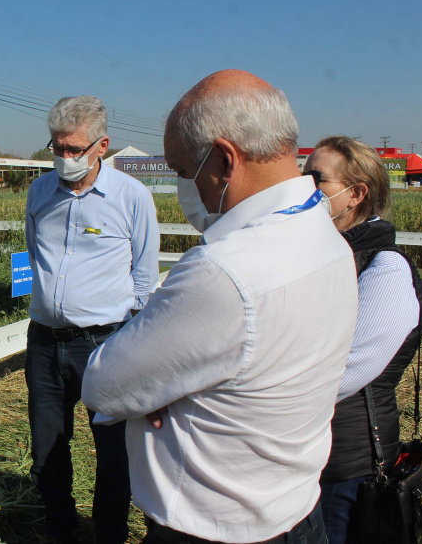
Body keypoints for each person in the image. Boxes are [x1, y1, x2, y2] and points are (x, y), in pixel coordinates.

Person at [82, 70, 359, 544]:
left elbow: (104, 386)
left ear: (225, 160)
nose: (185, 187)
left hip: (210, 528)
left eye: (183, 171)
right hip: (297, 511)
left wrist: (157, 389)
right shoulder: (325, 235)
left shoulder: (224, 271)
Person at [25, 95, 160, 543]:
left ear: (102, 145)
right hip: (44, 342)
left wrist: (132, 339)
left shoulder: (131, 197)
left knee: (113, 451)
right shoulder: (39, 192)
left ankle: (109, 534)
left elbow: (144, 276)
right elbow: (35, 254)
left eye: (74, 149)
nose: (64, 157)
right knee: (47, 446)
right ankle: (60, 528)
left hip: (106, 343)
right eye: (57, 147)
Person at [304, 136, 422, 544]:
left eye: (317, 179)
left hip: (345, 463)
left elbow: (345, 371)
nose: (304, 186)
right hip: (303, 452)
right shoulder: (320, 257)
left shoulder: (385, 269)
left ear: (355, 195)